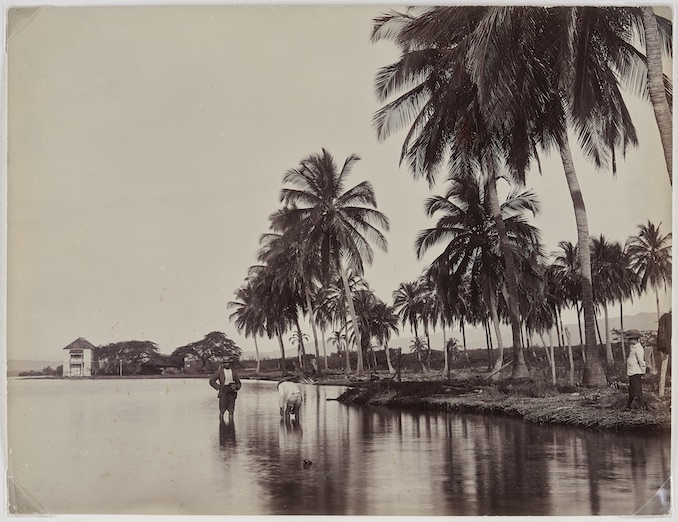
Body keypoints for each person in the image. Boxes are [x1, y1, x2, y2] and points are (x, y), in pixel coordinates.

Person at [623, 329, 647, 410]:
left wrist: (643, 372)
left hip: (636, 372)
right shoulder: (633, 347)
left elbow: (641, 361)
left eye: (630, 339)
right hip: (632, 372)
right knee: (631, 390)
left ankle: (642, 406)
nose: (629, 341)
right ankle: (628, 406)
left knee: (637, 390)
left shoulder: (638, 348)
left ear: (635, 339)